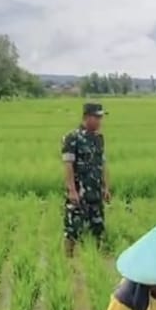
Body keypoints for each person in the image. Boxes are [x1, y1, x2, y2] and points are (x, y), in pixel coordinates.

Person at [62, 103, 110, 257]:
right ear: (87, 117)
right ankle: (68, 262)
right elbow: (68, 165)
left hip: (95, 193)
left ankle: (95, 259)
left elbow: (102, 164)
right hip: (79, 193)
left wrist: (106, 187)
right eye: (97, 117)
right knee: (73, 229)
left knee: (98, 228)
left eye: (100, 118)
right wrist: (72, 190)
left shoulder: (99, 139)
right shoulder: (72, 138)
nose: (99, 121)